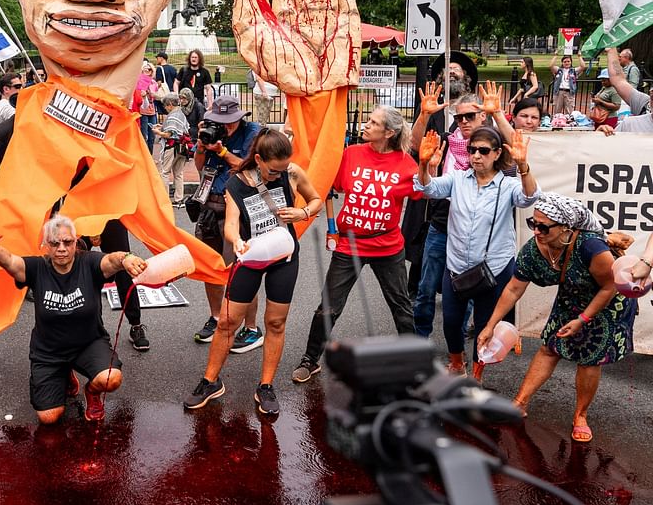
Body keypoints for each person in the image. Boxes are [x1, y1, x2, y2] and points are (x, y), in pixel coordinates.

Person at [478, 194, 635, 444]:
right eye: (533, 224)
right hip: (572, 296)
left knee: (589, 359)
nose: (537, 231)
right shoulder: (533, 249)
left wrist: (583, 320)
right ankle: (519, 403)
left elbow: (609, 287)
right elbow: (513, 289)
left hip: (606, 302)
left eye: (543, 226)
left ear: (566, 229)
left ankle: (580, 416)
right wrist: (490, 325)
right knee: (550, 347)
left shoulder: (591, 247)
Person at [185, 129, 323, 413]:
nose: (279, 175)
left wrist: (303, 213)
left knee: (275, 322)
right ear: (258, 159)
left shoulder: (291, 172)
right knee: (226, 322)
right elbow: (231, 225)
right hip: (250, 256)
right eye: (274, 170)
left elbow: (316, 199)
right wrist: (236, 242)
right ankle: (210, 381)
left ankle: (266, 386)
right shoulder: (236, 183)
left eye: (283, 169)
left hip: (284, 256)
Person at [0, 214, 146, 423]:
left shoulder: (89, 262)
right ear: (46, 245)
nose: (61, 248)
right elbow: (10, 261)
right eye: (55, 243)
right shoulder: (37, 267)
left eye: (67, 242)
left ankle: (91, 391)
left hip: (88, 344)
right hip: (49, 352)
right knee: (48, 417)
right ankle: (64, 375)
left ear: (76, 243)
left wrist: (126, 258)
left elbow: (112, 259)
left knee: (110, 379)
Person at [293, 105, 421, 383]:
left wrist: (430, 166)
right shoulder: (351, 154)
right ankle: (310, 359)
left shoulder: (405, 164)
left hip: (387, 246)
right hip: (349, 245)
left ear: (388, 132)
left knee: (400, 306)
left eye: (373, 123)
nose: (366, 125)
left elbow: (423, 190)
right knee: (328, 307)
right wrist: (329, 223)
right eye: (368, 120)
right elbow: (327, 185)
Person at [416, 127, 539, 380]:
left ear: (496, 154)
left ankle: (477, 376)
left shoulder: (508, 185)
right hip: (457, 266)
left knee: (485, 325)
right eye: (472, 150)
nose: (476, 156)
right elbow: (427, 189)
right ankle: (457, 363)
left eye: (483, 151)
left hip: (494, 267)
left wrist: (523, 166)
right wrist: (424, 165)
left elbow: (529, 197)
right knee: (451, 321)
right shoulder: (458, 179)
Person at [191, 94, 262, 352]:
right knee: (212, 267)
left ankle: (251, 327)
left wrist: (221, 151)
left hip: (238, 209)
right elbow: (200, 167)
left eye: (229, 121)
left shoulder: (254, 133)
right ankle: (216, 317)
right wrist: (201, 145)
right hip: (210, 205)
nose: (225, 126)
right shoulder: (211, 130)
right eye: (220, 121)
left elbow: (247, 167)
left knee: (243, 269)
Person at [150, 93, 189, 205]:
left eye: (166, 106)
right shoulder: (181, 113)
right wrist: (162, 126)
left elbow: (169, 134)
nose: (165, 108)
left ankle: (164, 199)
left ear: (170, 104)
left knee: (165, 172)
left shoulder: (172, 116)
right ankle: (179, 199)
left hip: (172, 147)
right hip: (183, 147)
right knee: (178, 173)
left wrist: (158, 132)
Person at [133, 60, 159, 151]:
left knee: (152, 135)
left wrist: (151, 93)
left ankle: (150, 155)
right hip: (142, 111)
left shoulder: (153, 83)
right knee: (144, 135)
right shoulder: (138, 81)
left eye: (149, 69)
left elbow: (155, 95)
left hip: (152, 110)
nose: (147, 71)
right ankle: (145, 157)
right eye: (145, 69)